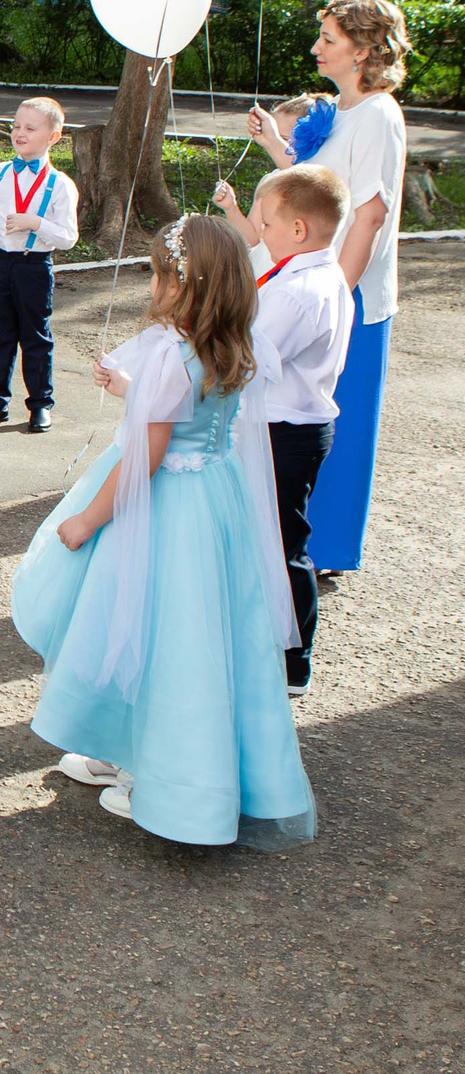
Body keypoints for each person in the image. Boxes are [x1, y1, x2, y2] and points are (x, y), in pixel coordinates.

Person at [10, 217, 313, 848]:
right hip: (213, 502)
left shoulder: (172, 357)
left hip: (162, 508)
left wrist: (87, 519)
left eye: (158, 271)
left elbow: (145, 457)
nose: (152, 281)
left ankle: (161, 774)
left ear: (186, 282)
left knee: (160, 632)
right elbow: (188, 416)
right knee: (186, 631)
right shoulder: (228, 344)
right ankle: (128, 750)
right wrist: (134, 389)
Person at [234, 0, 411, 573]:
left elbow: (370, 213)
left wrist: (337, 292)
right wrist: (271, 145)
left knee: (335, 416)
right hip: (312, 284)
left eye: (329, 39)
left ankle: (326, 548)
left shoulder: (380, 114)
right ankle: (291, 538)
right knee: (297, 414)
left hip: (344, 292)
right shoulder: (339, 109)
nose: (317, 48)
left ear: (363, 50)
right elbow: (317, 183)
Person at [213, 164, 353, 697]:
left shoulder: (300, 292)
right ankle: (270, 643)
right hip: (285, 424)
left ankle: (295, 660)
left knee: (282, 541)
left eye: (265, 223)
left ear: (297, 230)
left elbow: (245, 359)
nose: (259, 232)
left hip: (286, 431)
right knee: (269, 535)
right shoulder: (305, 273)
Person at [0, 98, 79, 433]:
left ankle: (41, 403)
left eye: (30, 128)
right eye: (16, 126)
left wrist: (36, 223)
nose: (20, 133)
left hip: (33, 266)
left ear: (52, 137)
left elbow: (68, 236)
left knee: (35, 337)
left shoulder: (60, 185)